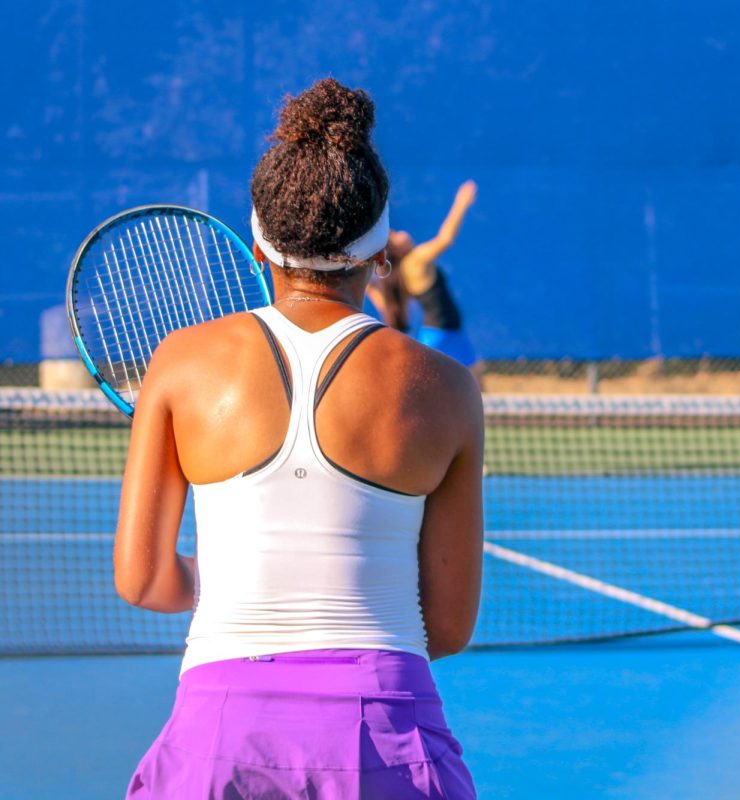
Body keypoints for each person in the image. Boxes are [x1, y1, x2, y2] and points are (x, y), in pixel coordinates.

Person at [115, 78, 482, 799]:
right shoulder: (446, 387)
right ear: (379, 257)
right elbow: (446, 625)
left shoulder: (181, 362)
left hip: (219, 738)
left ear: (257, 247)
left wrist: (218, 581)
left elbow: (144, 580)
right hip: (388, 736)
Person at [366, 181, 484, 387]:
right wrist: (461, 203)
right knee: (418, 383)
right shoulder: (415, 261)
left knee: (476, 383)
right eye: (394, 236)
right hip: (438, 334)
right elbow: (445, 239)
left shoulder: (402, 275)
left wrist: (368, 287)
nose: (400, 233)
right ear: (397, 250)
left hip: (451, 331)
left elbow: (385, 304)